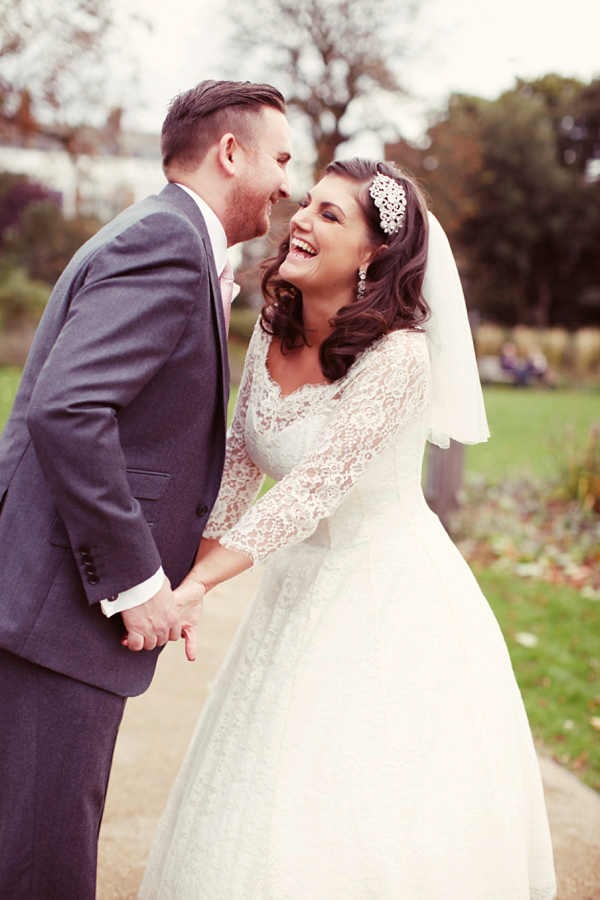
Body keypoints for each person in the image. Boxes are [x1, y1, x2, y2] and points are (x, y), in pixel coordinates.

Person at [139, 160, 556, 899]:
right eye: (306, 205)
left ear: (373, 254)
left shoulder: (399, 356)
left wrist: (202, 582)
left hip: (387, 589)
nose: (301, 219)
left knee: (358, 783)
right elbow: (240, 461)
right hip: (299, 584)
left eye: (330, 215)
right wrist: (185, 582)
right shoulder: (275, 322)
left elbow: (314, 486)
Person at [0, 79, 292, 900]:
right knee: (41, 859)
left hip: (40, 595)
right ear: (229, 152)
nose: (285, 183)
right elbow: (70, 409)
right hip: (62, 607)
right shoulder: (163, 243)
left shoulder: (161, 234)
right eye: (279, 158)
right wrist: (134, 584)